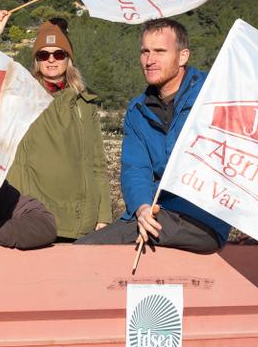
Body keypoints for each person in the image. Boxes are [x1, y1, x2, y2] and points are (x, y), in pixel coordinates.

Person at [77, 18, 229, 253]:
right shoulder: (137, 110)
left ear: (183, 56)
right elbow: (136, 167)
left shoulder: (214, 95)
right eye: (145, 51)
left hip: (202, 218)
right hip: (159, 215)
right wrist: (142, 207)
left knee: (87, 250)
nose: (150, 60)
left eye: (160, 51)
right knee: (90, 249)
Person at [0, 12, 111, 239]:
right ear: (36, 60)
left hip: (80, 223)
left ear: (68, 58)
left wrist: (103, 217)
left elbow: (97, 163)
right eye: (43, 55)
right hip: (34, 220)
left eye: (58, 54)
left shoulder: (85, 102)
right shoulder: (21, 94)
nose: (51, 60)